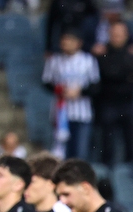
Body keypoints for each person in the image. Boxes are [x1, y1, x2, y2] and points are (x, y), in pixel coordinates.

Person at [42, 30, 100, 161]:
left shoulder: (88, 60)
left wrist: (80, 91)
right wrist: (60, 90)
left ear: (78, 43)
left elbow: (96, 85)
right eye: (64, 41)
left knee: (80, 152)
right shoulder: (54, 60)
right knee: (60, 152)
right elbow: (46, 82)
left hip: (82, 112)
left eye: (69, 41)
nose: (66, 44)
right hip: (61, 112)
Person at [94, 21, 133, 168]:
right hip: (108, 103)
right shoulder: (101, 55)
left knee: (131, 142)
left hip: (127, 103)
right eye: (114, 34)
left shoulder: (132, 56)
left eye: (120, 35)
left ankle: (131, 172)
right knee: (107, 144)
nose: (117, 38)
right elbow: (107, 74)